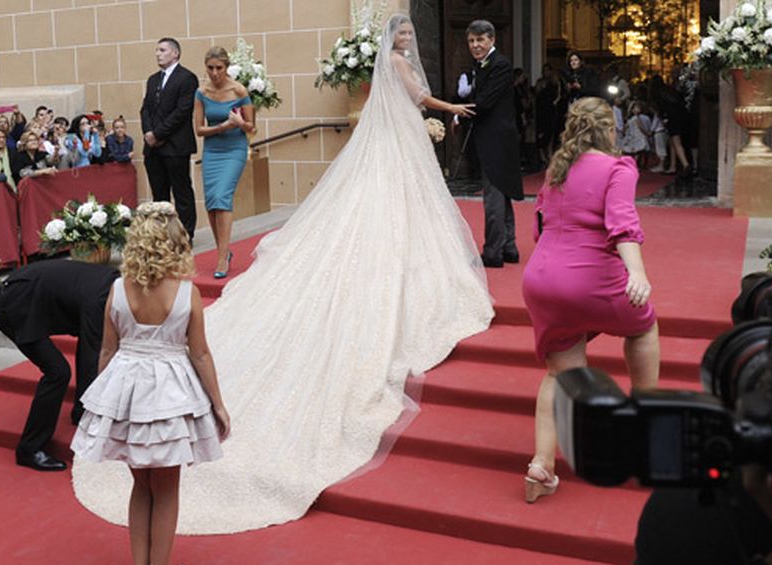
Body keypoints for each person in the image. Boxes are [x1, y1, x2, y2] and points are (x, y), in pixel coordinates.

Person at [74, 13, 493, 534]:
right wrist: (449, 108)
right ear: (393, 42)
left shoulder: (392, 65)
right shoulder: (401, 66)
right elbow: (418, 99)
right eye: (402, 34)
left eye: (408, 34)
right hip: (396, 138)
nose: (406, 40)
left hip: (388, 139)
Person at [71, 201, 229, 565]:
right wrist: (218, 404)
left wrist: (105, 406)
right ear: (175, 241)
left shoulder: (117, 289)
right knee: (167, 488)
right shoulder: (186, 292)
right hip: (170, 393)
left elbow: (107, 350)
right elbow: (201, 354)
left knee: (141, 486)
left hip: (126, 387)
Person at [521, 97, 660, 502]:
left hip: (542, 279)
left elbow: (538, 226)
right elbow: (622, 224)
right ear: (610, 130)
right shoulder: (618, 168)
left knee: (559, 373)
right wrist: (636, 272)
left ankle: (541, 467)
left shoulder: (557, 168)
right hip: (588, 277)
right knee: (643, 327)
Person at [0, 260, 121, 471]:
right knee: (58, 372)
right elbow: (91, 357)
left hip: (27, 293)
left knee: (82, 350)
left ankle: (80, 411)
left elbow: (89, 346)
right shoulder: (101, 298)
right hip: (13, 306)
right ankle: (29, 449)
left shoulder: (111, 283)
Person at [461, 20, 524, 268]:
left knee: (494, 195)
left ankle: (493, 252)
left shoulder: (500, 64)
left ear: (492, 40)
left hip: (497, 138)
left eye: (480, 40)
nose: (475, 45)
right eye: (471, 41)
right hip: (493, 136)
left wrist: (458, 112)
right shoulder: (481, 65)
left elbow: (485, 102)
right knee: (501, 191)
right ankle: (509, 247)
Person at [194, 46, 255, 279]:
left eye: (219, 68)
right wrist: (221, 127)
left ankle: (221, 257)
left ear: (226, 67)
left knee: (221, 197)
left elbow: (252, 127)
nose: (214, 73)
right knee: (211, 203)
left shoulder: (239, 90)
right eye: (210, 68)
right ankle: (224, 251)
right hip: (212, 150)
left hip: (234, 150)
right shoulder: (201, 92)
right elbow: (199, 130)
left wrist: (239, 123)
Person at [140, 37, 199, 240]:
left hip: (175, 145)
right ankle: (162, 235)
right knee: (159, 195)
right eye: (157, 50)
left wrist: (159, 134)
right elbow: (145, 109)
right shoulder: (152, 79)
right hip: (153, 148)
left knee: (182, 192)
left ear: (175, 53)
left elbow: (182, 112)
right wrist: (148, 133)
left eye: (162, 50)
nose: (158, 53)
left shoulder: (187, 78)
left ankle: (185, 235)